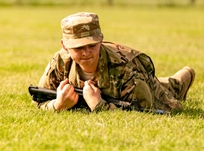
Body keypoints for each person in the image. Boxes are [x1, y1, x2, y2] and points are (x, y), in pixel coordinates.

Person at [36, 11, 195, 113]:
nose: (86, 52)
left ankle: (178, 83)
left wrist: (99, 105)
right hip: (122, 91)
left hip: (144, 83)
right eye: (78, 47)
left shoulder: (125, 69)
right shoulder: (60, 62)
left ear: (101, 41)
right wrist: (57, 105)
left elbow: (144, 111)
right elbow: (39, 98)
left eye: (92, 45)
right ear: (64, 46)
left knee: (168, 97)